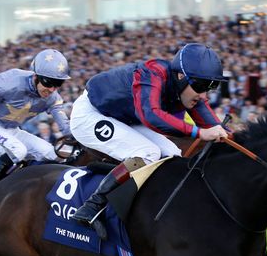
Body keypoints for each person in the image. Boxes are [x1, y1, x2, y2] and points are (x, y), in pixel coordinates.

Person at [69, 43, 229, 237]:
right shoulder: (152, 74)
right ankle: (91, 208)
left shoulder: (188, 91)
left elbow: (214, 127)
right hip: (90, 114)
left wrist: (230, 136)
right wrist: (199, 133)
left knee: (173, 154)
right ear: (180, 77)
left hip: (124, 117)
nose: (204, 95)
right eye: (201, 86)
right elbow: (151, 115)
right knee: (147, 153)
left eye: (210, 87)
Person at [0, 48, 72, 196]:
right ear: (36, 76)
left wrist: (78, 139)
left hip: (13, 130)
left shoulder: (53, 97)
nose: (52, 89)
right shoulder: (9, 81)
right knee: (19, 150)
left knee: (54, 154)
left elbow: (64, 126)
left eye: (58, 84)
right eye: (49, 82)